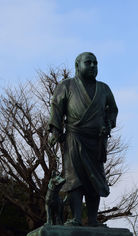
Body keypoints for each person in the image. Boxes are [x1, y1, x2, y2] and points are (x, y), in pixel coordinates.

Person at [48, 52, 118, 226]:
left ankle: (93, 219)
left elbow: (113, 109)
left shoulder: (103, 88)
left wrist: (108, 123)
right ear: (77, 65)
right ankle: (76, 218)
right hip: (74, 137)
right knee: (75, 179)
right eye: (89, 63)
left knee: (95, 179)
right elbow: (57, 107)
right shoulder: (67, 85)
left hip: (97, 140)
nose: (93, 66)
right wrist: (55, 130)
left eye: (96, 63)